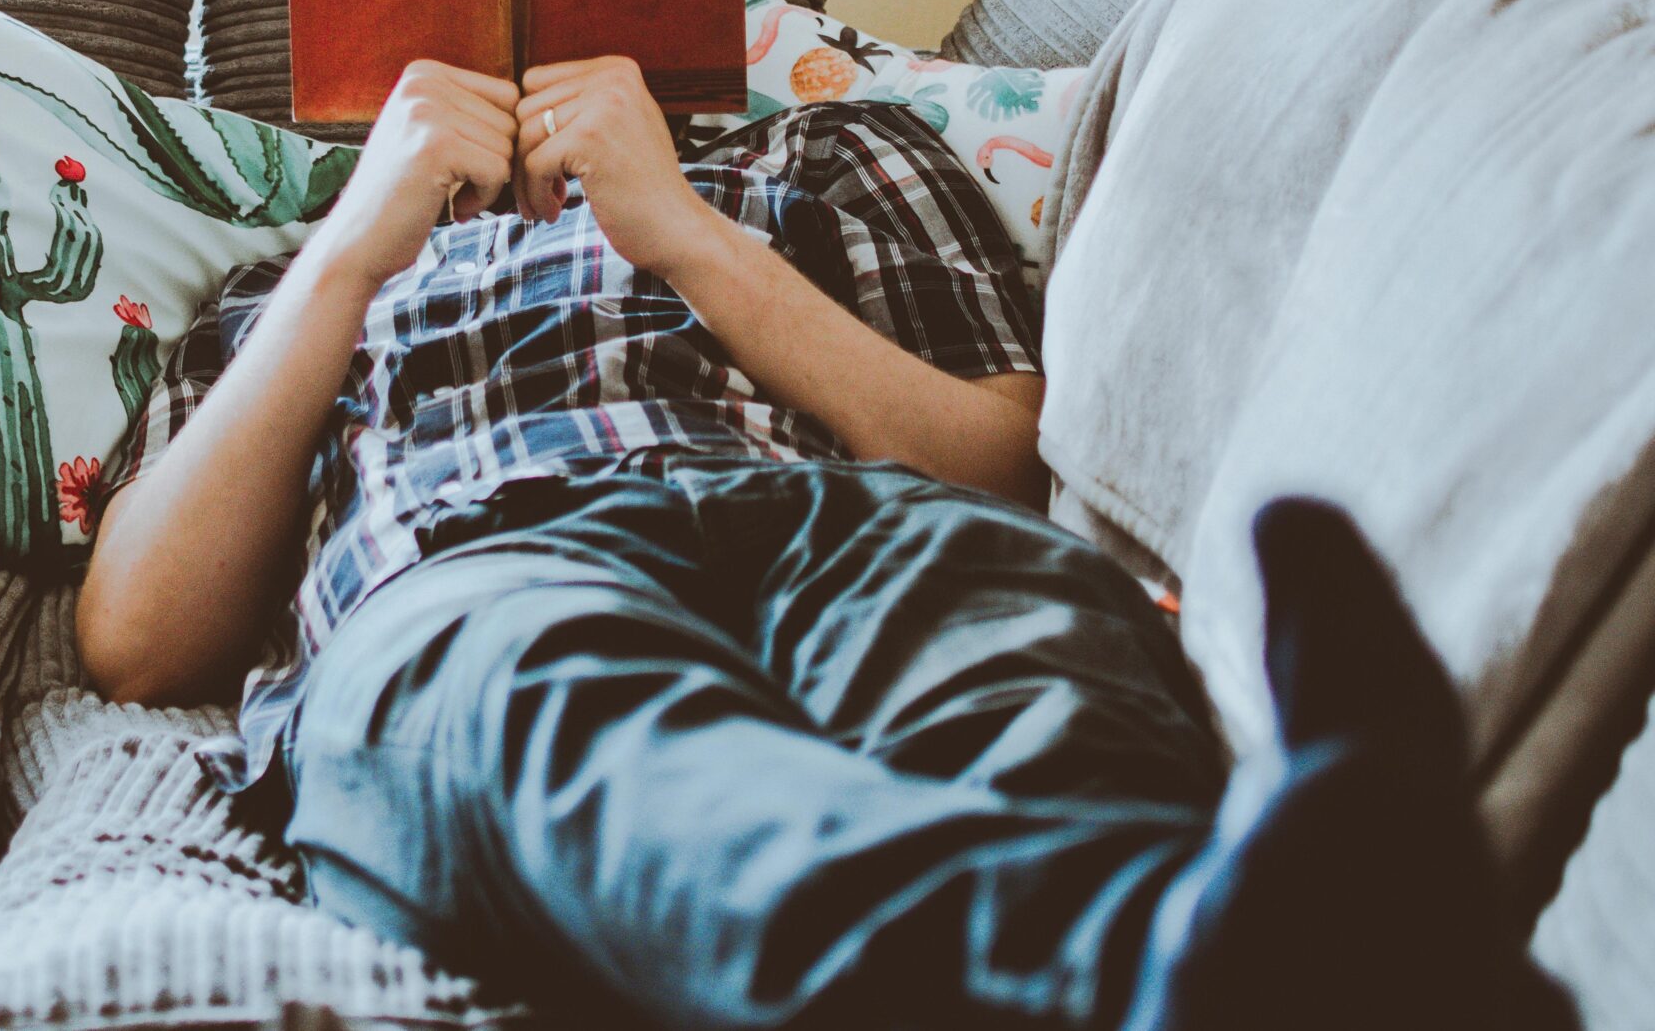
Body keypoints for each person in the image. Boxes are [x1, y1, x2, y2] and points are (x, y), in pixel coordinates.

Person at [77, 56, 1573, 1030]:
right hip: (479, 566)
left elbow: (997, 472)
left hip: (846, 526)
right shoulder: (292, 278)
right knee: (591, 729)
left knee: (1031, 658)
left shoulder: (838, 152)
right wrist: (350, 247)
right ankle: (1226, 959)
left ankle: (1264, 922)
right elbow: (137, 639)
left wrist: (679, 228)